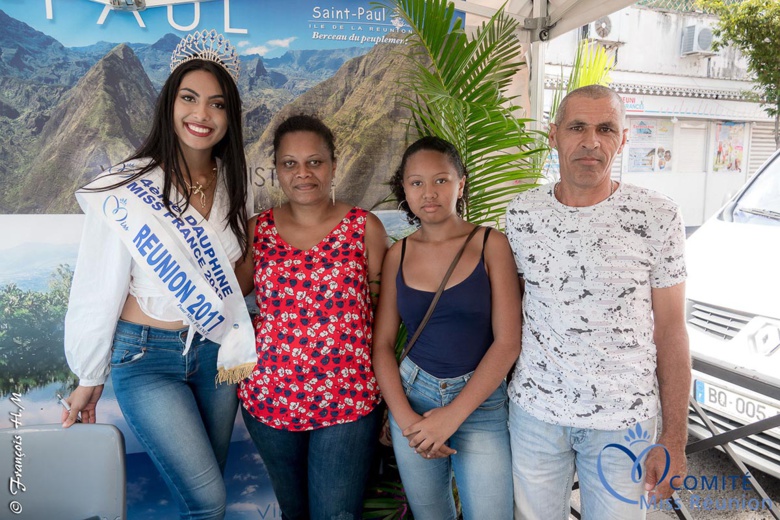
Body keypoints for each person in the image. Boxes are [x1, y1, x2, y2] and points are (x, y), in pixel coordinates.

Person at [61, 30, 256, 520]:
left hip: (217, 357)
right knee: (210, 501)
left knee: (204, 492)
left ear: (229, 117)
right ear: (170, 105)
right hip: (146, 358)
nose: (202, 115)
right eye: (189, 99)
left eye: (216, 104)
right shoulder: (129, 186)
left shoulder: (238, 183)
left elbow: (234, 275)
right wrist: (90, 372)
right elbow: (98, 284)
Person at [505, 84, 690, 520]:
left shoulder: (658, 216)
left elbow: (671, 329)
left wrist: (675, 439)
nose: (591, 141)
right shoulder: (520, 214)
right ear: (554, 135)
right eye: (577, 127)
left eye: (606, 128)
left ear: (623, 139)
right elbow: (509, 316)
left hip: (623, 425)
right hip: (535, 416)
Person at [235, 114, 388, 520]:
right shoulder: (257, 231)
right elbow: (231, 293)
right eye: (290, 163)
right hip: (270, 400)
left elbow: (384, 315)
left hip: (348, 401)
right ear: (277, 171)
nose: (303, 174)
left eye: (314, 162)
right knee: (294, 513)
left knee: (337, 514)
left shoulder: (364, 228)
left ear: (333, 166)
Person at [372, 136, 521, 519]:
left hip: (480, 403)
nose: (429, 193)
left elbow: (507, 342)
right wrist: (405, 420)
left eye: (440, 180)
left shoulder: (490, 244)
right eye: (416, 182)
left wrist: (452, 415)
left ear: (461, 183)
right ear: (404, 189)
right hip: (413, 399)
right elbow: (383, 345)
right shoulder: (397, 254)